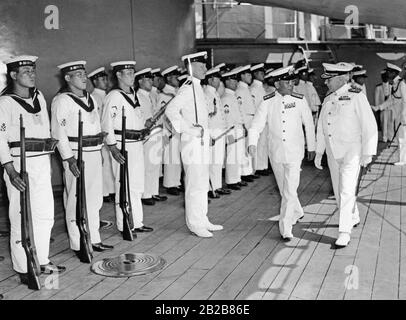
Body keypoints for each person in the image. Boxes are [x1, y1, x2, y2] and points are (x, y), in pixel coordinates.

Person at [0, 55, 65, 283]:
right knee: (21, 215)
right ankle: (23, 266)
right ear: (13, 75)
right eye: (25, 70)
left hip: (41, 162)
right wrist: (10, 169)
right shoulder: (5, 102)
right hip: (20, 163)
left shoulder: (39, 97)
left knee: (45, 214)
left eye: (33, 69)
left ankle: (42, 258)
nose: (31, 73)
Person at [51, 60, 114, 254]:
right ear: (68, 78)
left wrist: (99, 150)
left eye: (84, 73)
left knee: (94, 199)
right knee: (76, 199)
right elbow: (58, 132)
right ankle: (79, 243)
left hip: (93, 152)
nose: (84, 77)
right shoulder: (62, 100)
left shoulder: (90, 98)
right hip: (76, 155)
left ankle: (93, 238)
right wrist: (68, 159)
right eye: (78, 74)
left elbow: (96, 126)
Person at [248, 65, 316, 241]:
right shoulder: (268, 101)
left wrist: (312, 147)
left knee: (289, 189)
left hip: (295, 151)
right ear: (278, 84)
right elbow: (256, 124)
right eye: (287, 82)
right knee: (284, 188)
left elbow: (309, 124)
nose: (292, 85)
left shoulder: (300, 100)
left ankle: (285, 226)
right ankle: (298, 211)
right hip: (276, 152)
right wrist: (252, 143)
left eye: (292, 82)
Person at [315, 62, 378, 247]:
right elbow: (321, 127)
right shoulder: (328, 99)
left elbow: (369, 125)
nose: (326, 83)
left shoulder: (357, 96)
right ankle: (353, 215)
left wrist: (368, 151)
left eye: (330, 79)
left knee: (346, 189)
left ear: (342, 78)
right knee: (338, 189)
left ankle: (344, 231)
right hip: (333, 152)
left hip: (351, 151)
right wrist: (319, 152)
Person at [165, 51, 223, 238]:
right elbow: (171, 110)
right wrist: (189, 129)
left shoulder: (198, 87)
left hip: (201, 142)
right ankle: (194, 223)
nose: (205, 68)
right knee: (194, 184)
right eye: (201, 66)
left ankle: (202, 218)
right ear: (191, 68)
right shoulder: (188, 87)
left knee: (202, 182)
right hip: (192, 143)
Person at [101, 60, 154, 236]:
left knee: (137, 185)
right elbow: (106, 124)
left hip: (136, 144)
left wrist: (143, 126)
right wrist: (113, 148)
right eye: (128, 73)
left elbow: (135, 118)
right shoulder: (114, 96)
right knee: (124, 184)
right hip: (122, 145)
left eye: (133, 72)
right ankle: (124, 224)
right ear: (118, 75)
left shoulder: (133, 94)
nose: (132, 76)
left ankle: (136, 222)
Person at [88, 67, 115, 230]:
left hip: (108, 137)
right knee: (103, 166)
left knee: (110, 166)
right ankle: (104, 193)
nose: (106, 82)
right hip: (100, 138)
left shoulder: (108, 96)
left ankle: (110, 191)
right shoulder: (93, 97)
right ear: (95, 81)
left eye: (106, 79)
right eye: (102, 79)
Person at [135, 68, 167, 205]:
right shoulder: (138, 96)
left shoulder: (151, 95)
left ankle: (153, 191)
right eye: (147, 79)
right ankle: (145, 194)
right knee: (148, 165)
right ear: (140, 81)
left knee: (154, 165)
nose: (150, 82)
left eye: (150, 79)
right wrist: (145, 123)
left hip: (156, 133)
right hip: (147, 135)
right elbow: (137, 116)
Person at [204, 67, 231, 198]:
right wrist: (208, 135)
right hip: (212, 132)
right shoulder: (207, 94)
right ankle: (209, 188)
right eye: (217, 78)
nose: (220, 81)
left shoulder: (214, 93)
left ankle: (217, 186)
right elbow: (207, 117)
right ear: (210, 79)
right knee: (211, 161)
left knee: (218, 161)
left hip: (219, 131)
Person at [373, 63, 406, 165]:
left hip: (402, 116)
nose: (387, 74)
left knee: (402, 137)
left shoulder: (402, 84)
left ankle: (402, 160)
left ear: (394, 73)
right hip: (398, 115)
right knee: (400, 137)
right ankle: (402, 159)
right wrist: (378, 107)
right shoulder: (394, 84)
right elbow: (391, 100)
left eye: (389, 72)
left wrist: (404, 116)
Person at [222, 68, 249, 191]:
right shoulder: (226, 97)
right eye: (233, 80)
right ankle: (231, 180)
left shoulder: (232, 95)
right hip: (231, 130)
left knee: (238, 155)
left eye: (236, 80)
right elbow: (227, 118)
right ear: (227, 81)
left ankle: (237, 178)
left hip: (238, 128)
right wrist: (229, 133)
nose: (236, 83)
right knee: (232, 155)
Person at [159, 65, 183, 196]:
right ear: (168, 78)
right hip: (170, 132)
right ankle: (169, 183)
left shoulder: (176, 92)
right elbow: (164, 115)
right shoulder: (165, 95)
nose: (178, 79)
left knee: (177, 158)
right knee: (171, 158)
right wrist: (171, 130)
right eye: (175, 77)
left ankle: (176, 182)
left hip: (178, 130)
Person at [235, 65, 259, 182]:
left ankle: (248, 171)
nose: (251, 77)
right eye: (248, 75)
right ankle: (244, 173)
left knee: (248, 147)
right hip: (245, 120)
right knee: (243, 148)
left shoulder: (246, 89)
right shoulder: (240, 90)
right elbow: (239, 108)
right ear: (242, 76)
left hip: (250, 120)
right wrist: (243, 124)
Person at [250, 63, 269, 176]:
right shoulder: (253, 88)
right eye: (261, 73)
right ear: (255, 74)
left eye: (263, 73)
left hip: (264, 118)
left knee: (263, 144)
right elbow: (253, 105)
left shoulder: (261, 87)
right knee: (257, 144)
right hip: (258, 119)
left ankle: (263, 166)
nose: (263, 75)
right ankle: (257, 167)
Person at [375, 69, 392, 142]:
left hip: (391, 108)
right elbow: (376, 98)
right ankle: (384, 137)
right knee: (383, 123)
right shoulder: (378, 87)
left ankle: (390, 137)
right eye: (384, 77)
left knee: (390, 122)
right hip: (382, 108)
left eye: (386, 76)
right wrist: (378, 108)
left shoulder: (391, 86)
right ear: (382, 77)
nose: (385, 78)